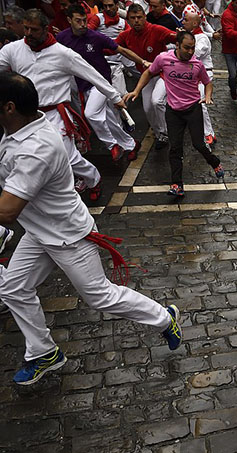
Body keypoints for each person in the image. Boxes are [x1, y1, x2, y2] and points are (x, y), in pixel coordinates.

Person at [0, 71, 183, 386]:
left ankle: (165, 318)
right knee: (13, 288)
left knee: (101, 297)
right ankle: (44, 352)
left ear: (9, 108)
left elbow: (7, 211)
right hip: (40, 232)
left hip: (69, 237)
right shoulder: (17, 130)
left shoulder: (36, 149)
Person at [0, 9, 126, 201]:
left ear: (45, 29)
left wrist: (115, 97)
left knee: (68, 157)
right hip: (24, 117)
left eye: (33, 29)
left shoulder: (63, 54)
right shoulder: (12, 50)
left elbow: (92, 75)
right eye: (25, 28)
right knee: (11, 152)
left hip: (55, 115)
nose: (28, 33)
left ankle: (93, 179)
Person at [125, 31, 224, 197]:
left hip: (193, 109)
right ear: (177, 45)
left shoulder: (197, 65)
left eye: (192, 48)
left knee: (198, 144)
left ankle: (214, 162)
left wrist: (207, 97)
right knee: (175, 148)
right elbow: (149, 73)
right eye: (187, 48)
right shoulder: (164, 59)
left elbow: (208, 83)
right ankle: (177, 184)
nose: (190, 52)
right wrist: (136, 90)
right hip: (174, 111)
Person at [57, 5, 143, 163]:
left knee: (91, 114)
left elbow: (121, 50)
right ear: (69, 20)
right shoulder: (62, 38)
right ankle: (131, 144)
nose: (82, 24)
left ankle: (112, 146)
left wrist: (143, 61)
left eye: (84, 20)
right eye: (78, 21)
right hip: (83, 85)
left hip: (102, 83)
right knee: (108, 118)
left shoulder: (95, 37)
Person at [115, 4, 176, 150]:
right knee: (148, 108)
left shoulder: (156, 30)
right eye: (133, 18)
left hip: (163, 74)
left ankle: (166, 132)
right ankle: (161, 134)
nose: (136, 21)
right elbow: (109, 47)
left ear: (144, 17)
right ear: (128, 20)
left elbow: (177, 38)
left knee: (156, 101)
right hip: (146, 76)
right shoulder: (126, 36)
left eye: (139, 17)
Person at [182, 11, 217, 145]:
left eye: (186, 20)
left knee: (200, 103)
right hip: (191, 75)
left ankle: (209, 134)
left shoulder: (201, 38)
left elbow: (193, 54)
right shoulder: (188, 36)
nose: (183, 22)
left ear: (195, 23)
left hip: (204, 75)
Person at [87, 0, 134, 96]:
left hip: (117, 62)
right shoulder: (97, 18)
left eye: (110, 5)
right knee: (103, 95)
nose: (108, 9)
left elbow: (132, 37)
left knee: (121, 95)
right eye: (105, 6)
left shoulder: (123, 22)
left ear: (117, 5)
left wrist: (124, 36)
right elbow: (87, 34)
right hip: (100, 63)